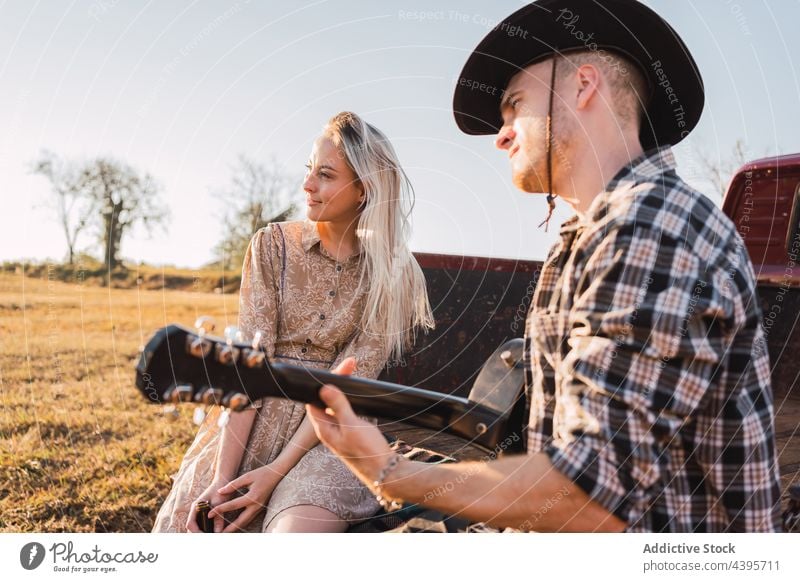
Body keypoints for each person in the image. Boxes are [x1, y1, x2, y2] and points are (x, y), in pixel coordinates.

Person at [306, 0, 782, 532]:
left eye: (514, 106)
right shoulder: (591, 236)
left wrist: (385, 470)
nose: (502, 134)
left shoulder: (652, 224)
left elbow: (585, 494)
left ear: (582, 86)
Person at [152, 111, 434, 533]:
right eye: (309, 171)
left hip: (331, 434)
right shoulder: (271, 245)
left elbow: (347, 384)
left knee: (291, 538)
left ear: (363, 191)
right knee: (193, 528)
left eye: (325, 175)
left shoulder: (395, 273)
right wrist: (221, 478)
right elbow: (248, 366)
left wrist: (275, 474)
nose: (307, 185)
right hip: (250, 418)